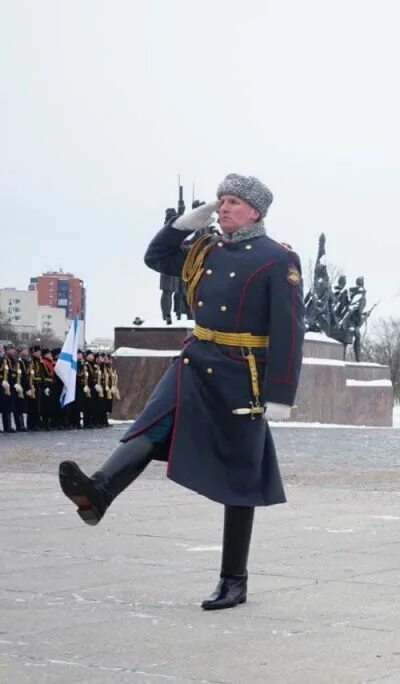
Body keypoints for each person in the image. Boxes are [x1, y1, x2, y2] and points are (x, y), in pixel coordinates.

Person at [58, 173, 304, 610]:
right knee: (148, 427)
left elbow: (289, 329)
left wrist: (280, 393)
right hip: (195, 360)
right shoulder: (205, 248)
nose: (223, 207)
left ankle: (234, 580)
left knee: (239, 476)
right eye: (220, 200)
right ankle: (98, 492)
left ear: (255, 211)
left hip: (240, 374)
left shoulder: (275, 259)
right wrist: (186, 223)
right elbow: (157, 257)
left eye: (232, 202)